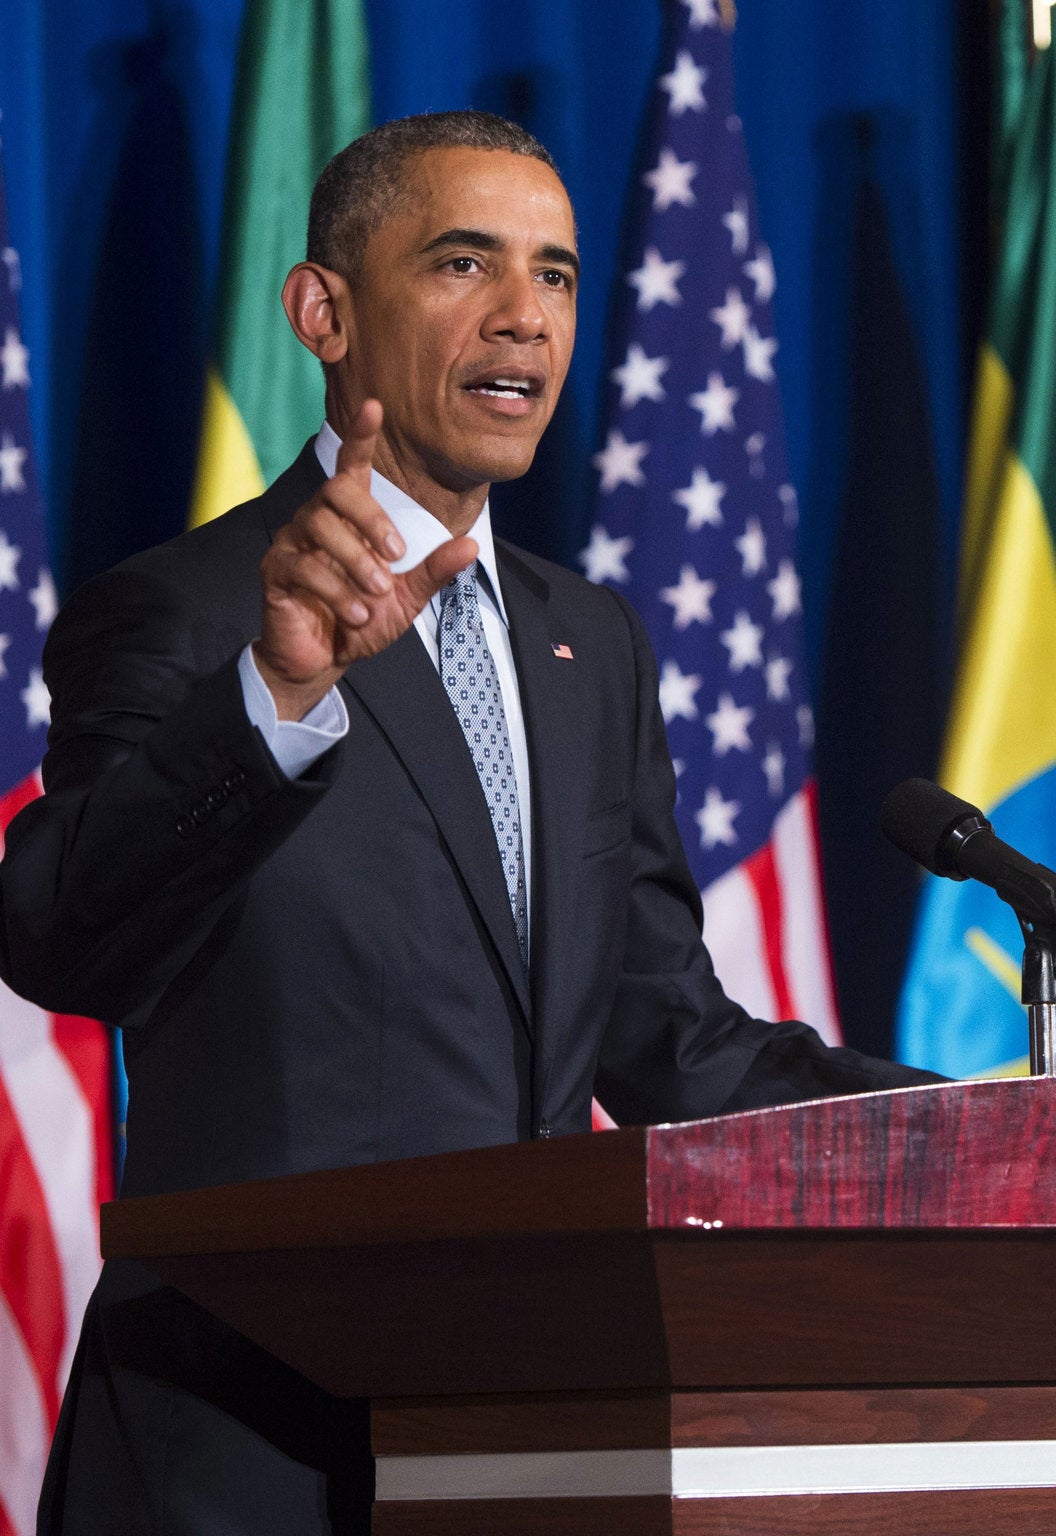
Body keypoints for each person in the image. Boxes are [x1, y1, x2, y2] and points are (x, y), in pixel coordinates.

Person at [3, 111, 939, 1536]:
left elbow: (668, 1044)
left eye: (558, 276)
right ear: (324, 310)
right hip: (246, 1450)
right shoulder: (192, 615)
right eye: (462, 262)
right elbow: (68, 939)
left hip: (518, 1442)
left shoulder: (591, 644)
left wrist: (969, 1129)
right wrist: (273, 691)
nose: (525, 316)